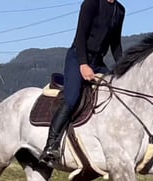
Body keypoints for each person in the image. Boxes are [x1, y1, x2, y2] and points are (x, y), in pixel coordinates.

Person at [39, 0, 125, 165]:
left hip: (98, 62)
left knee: (116, 91)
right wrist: (83, 64)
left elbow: (116, 44)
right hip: (78, 56)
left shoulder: (120, 10)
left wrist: (124, 68)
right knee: (72, 98)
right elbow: (80, 36)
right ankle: (51, 145)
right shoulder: (91, 3)